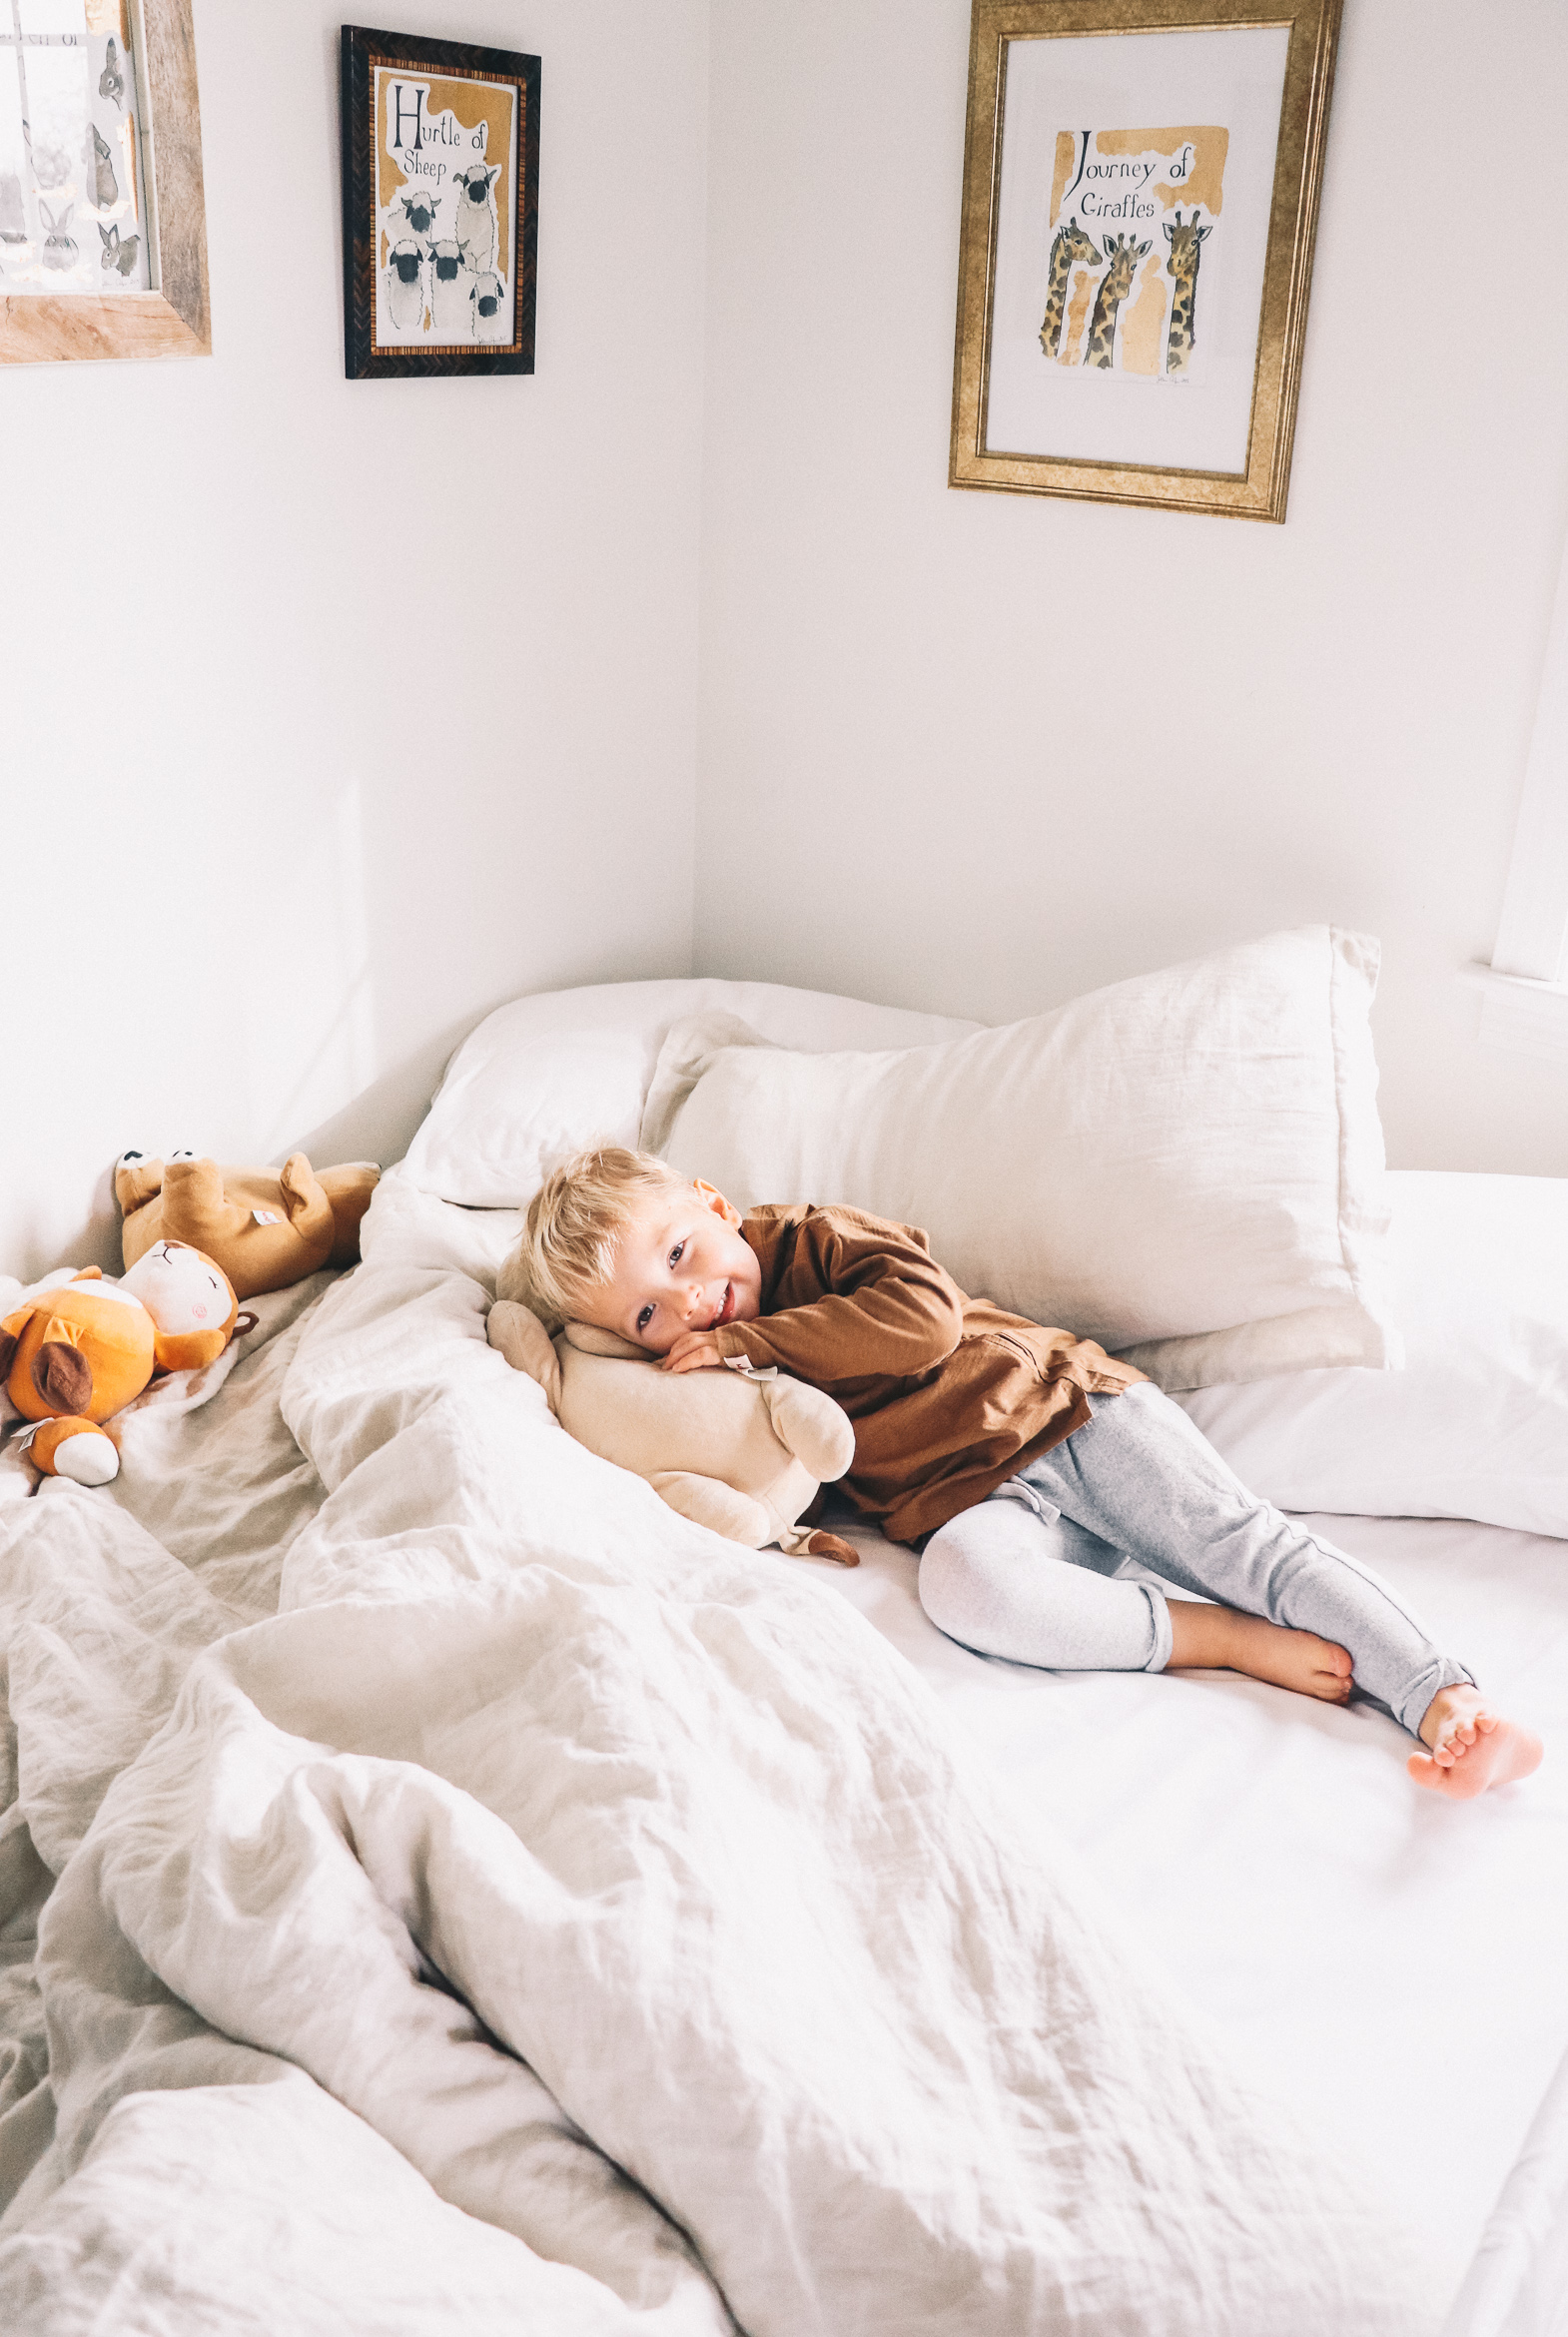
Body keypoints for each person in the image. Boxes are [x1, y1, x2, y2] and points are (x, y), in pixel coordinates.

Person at [505, 1147, 1543, 1801]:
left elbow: (924, 1324)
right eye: (648, 1314)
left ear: (714, 1202)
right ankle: (1213, 1636)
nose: (688, 1306)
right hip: (977, 1503)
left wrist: (761, 1347)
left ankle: (1448, 1702)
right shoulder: (706, 1379)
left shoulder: (815, 1246)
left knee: (1241, 1542)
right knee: (969, 1588)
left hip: (1063, 1409)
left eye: (683, 1255)